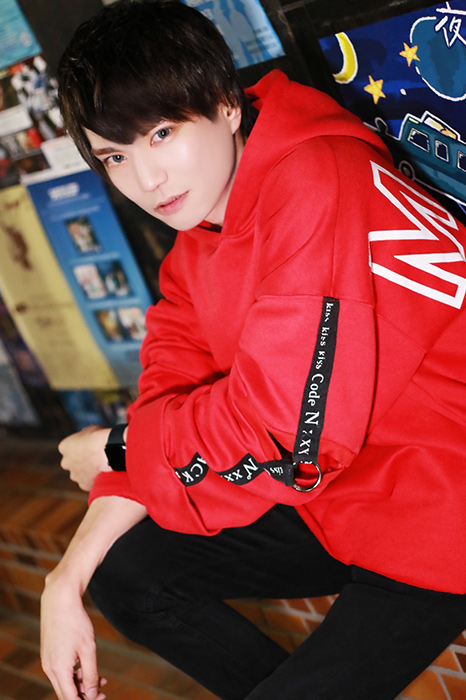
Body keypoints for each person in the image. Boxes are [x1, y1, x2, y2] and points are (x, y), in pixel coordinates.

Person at [40, 1, 466, 699]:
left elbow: (287, 440)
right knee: (124, 573)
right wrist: (65, 579)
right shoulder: (193, 251)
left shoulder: (317, 177)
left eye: (162, 133)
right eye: (116, 156)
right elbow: (164, 401)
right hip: (344, 499)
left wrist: (119, 449)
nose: (146, 179)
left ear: (226, 105)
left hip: (441, 506)